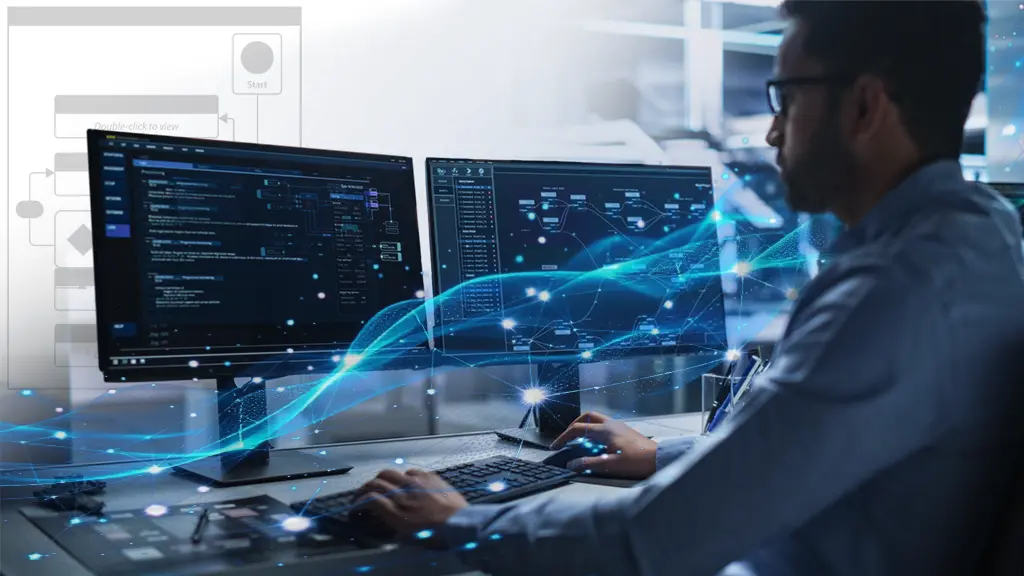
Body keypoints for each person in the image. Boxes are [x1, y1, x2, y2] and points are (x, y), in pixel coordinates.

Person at [355, 1, 1024, 574]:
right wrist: (664, 453)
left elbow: (653, 543)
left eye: (786, 98)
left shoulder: (891, 292)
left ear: (863, 105)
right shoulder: (981, 237)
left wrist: (458, 520)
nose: (771, 131)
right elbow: (816, 446)